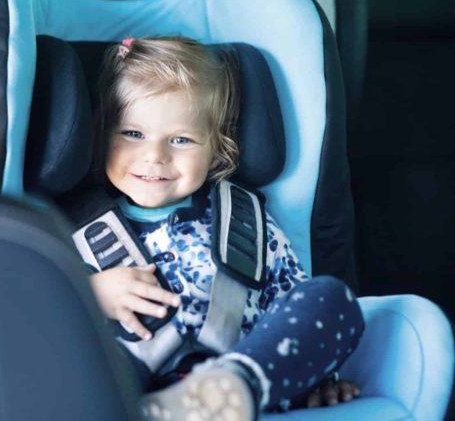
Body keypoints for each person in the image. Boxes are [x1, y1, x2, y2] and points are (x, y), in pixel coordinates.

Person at [87, 36, 364, 420]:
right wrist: (91, 293)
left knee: (332, 298)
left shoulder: (244, 220)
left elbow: (290, 302)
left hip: (241, 371)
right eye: (132, 134)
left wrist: (318, 376)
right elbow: (35, 312)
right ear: (101, 134)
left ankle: (224, 391)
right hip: (127, 377)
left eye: (181, 140)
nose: (154, 156)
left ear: (218, 149)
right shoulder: (76, 231)